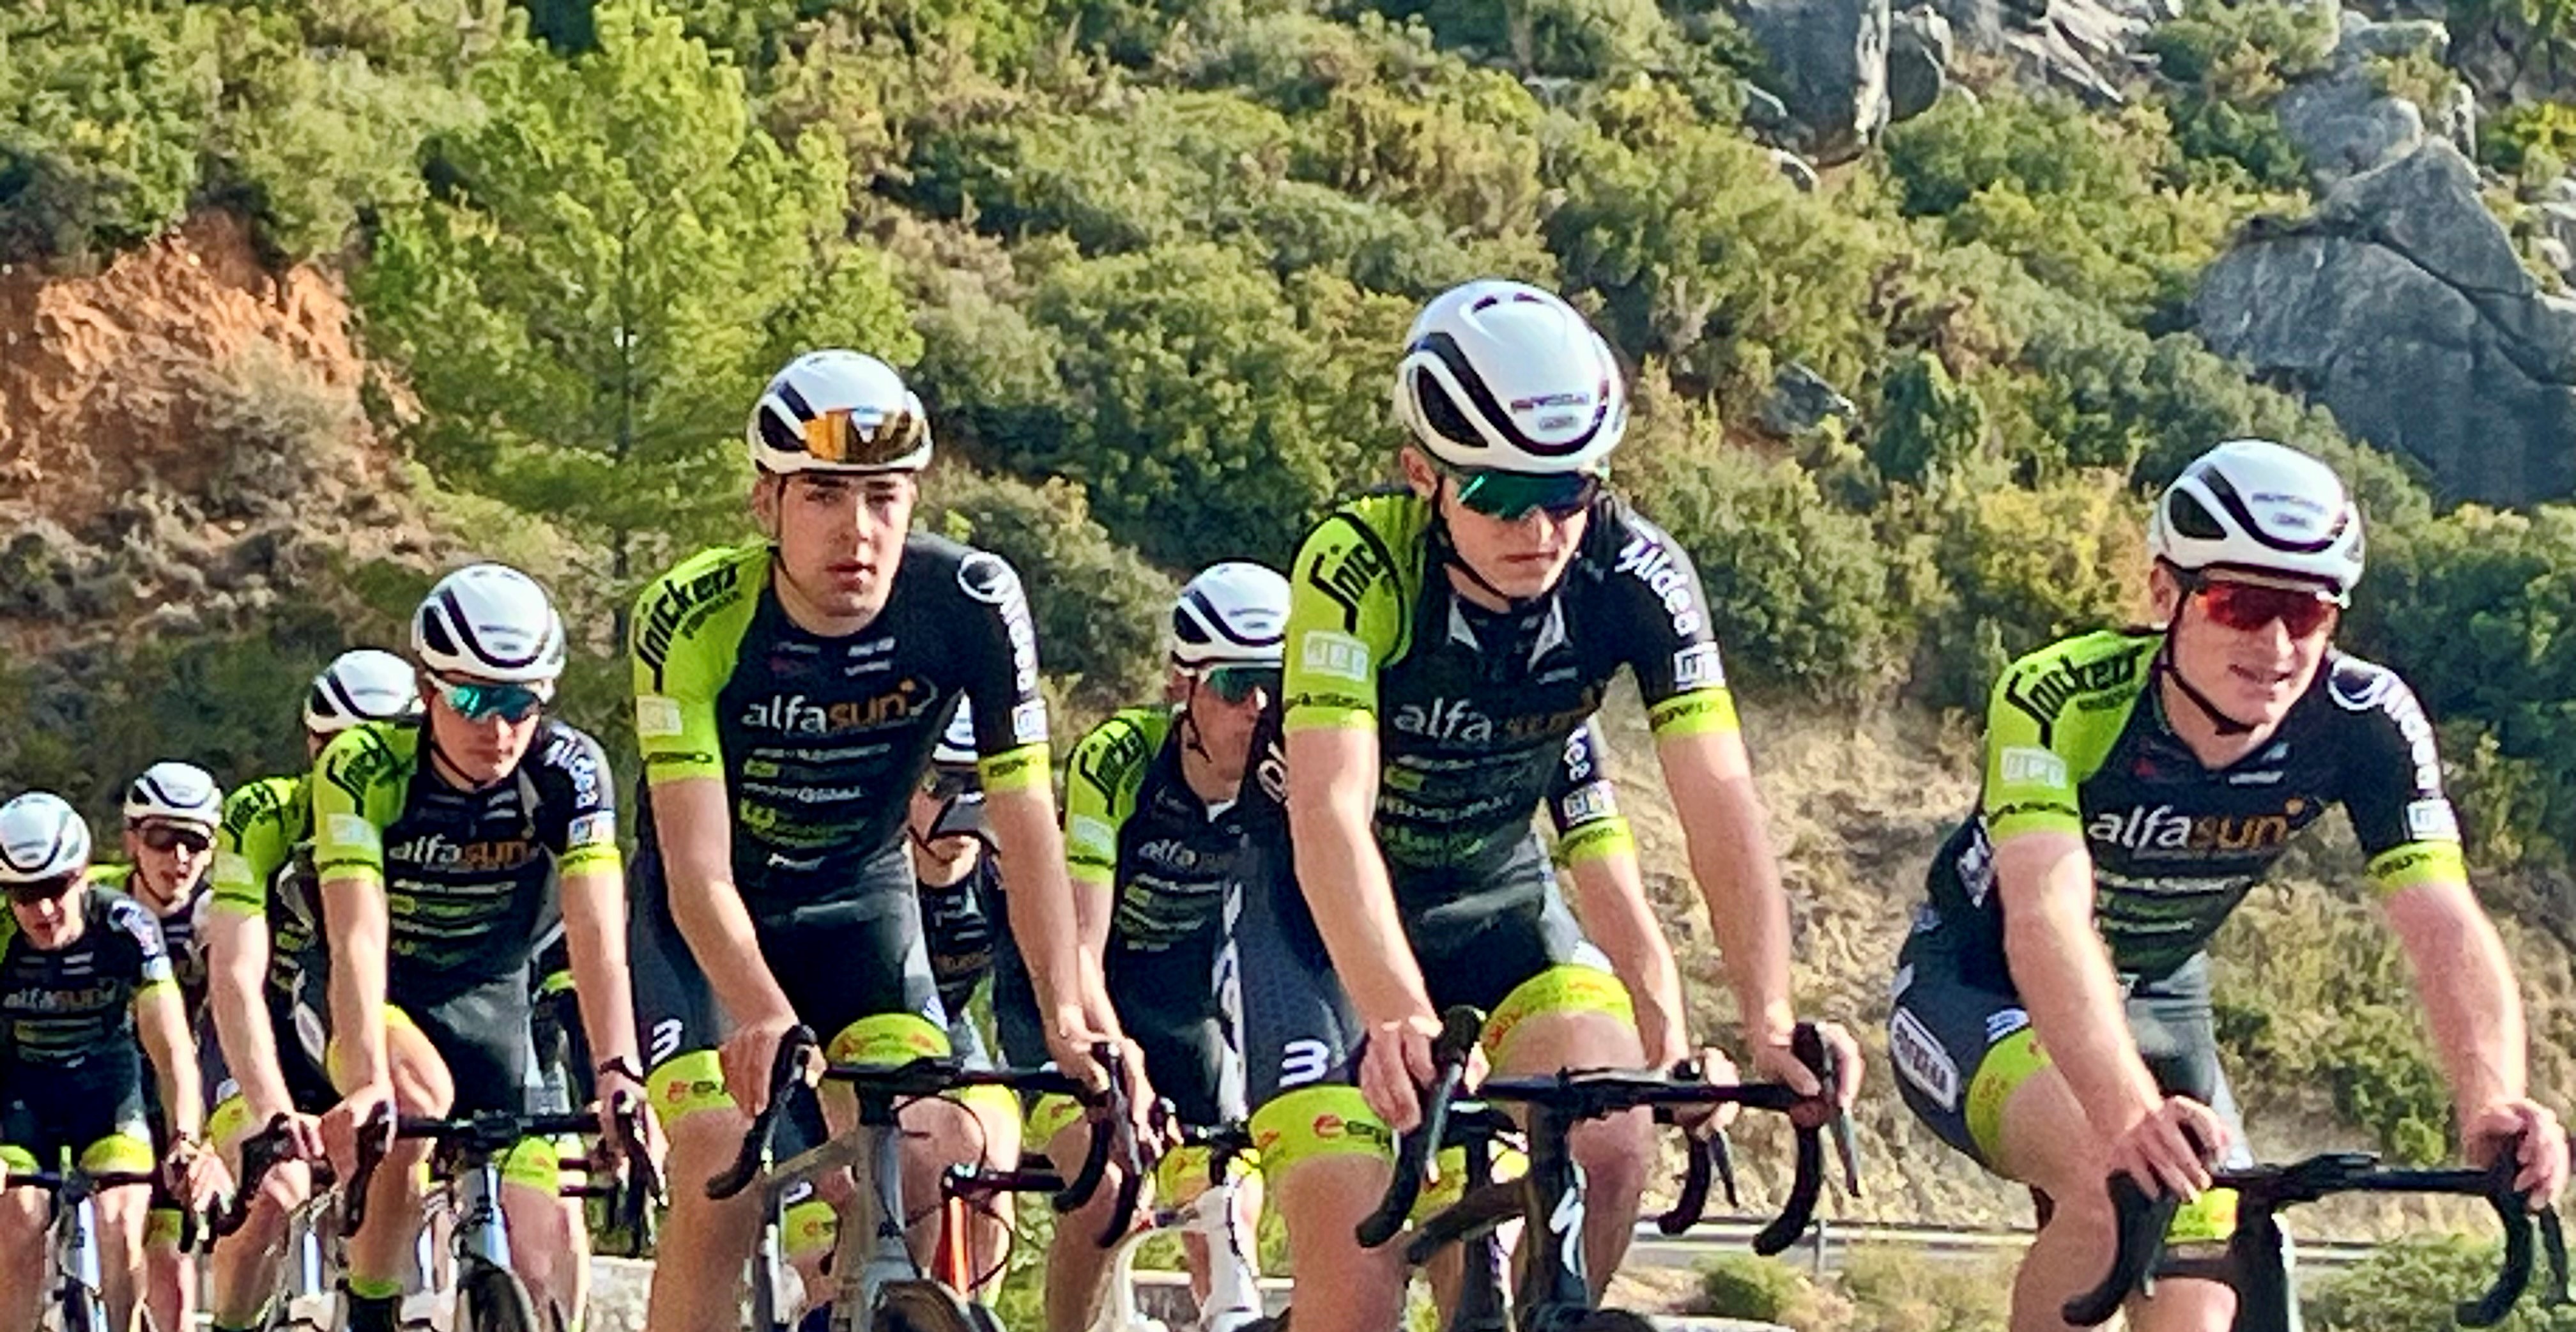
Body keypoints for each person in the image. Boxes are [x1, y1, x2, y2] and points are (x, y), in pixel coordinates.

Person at [1264, 278, 1860, 1332]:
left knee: (1613, 1137)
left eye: (1569, 490)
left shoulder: (1636, 573)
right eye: (1500, 495)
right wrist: (1394, 1005)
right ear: (1423, 474)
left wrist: (1767, 1016)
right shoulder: (1358, 563)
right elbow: (1330, 811)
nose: (1540, 529)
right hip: (1319, 937)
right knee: (1357, 1278)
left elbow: (1721, 805)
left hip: (1498, 908)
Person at [1887, 438, 2572, 1332]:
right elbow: (2047, 917)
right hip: (1981, 986)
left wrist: (2492, 1101)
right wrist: (2128, 1112)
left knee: (2206, 1299)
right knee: (2110, 1175)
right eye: (2240, 604)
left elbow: (2444, 922)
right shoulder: (2063, 695)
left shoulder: (2366, 718)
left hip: (2161, 998)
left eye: (2307, 611)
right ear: (2164, 593)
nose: (2276, 645)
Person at [627, 349, 1138, 1332]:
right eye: (824, 495)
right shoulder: (693, 614)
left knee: (929, 1148)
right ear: (766, 502)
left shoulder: (972, 600)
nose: (857, 531)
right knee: (720, 1177)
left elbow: (1027, 825)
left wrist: (1071, 1015)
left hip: (859, 912)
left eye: (883, 497)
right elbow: (693, 867)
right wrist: (761, 1010)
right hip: (709, 932)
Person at [312, 565, 654, 1332]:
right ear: (427, 689)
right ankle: (370, 1310)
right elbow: (357, 935)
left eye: (518, 704)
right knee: (414, 1102)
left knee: (536, 1256)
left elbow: (600, 935)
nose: (496, 731)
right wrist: (365, 1080)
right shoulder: (363, 765)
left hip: (499, 1010)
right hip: (387, 1001)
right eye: (471, 700)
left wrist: (619, 1072)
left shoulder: (570, 770)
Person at [1035, 562, 1291, 1332]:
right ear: (1183, 686)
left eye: (1275, 686)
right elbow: (1080, 942)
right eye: (1234, 686)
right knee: (1107, 1194)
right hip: (1078, 988)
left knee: (1228, 1196)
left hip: (1186, 1004)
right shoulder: (1119, 758)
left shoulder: (1291, 773)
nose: (1258, 709)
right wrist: (1115, 1053)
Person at [203, 648, 419, 1332]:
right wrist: (271, 1111)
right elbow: (235, 976)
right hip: (264, 1046)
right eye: (336, 750)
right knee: (274, 1194)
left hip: (368, 1041)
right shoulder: (265, 814)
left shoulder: (429, 821)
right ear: (310, 745)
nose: (355, 770)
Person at [0, 790, 228, 1332]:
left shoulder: (126, 924)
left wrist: (187, 1137)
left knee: (121, 1217)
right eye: (24, 895)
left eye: (56, 888)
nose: (44, 910)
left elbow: (172, 1047)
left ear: (82, 874)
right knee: (19, 1217)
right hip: (21, 1088)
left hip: (107, 1085)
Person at [106, 762, 225, 1332]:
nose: (178, 858)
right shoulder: (93, 899)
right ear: (132, 839)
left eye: (194, 842)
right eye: (161, 838)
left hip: (183, 1090)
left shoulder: (220, 914)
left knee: (171, 1271)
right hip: (100, 1080)